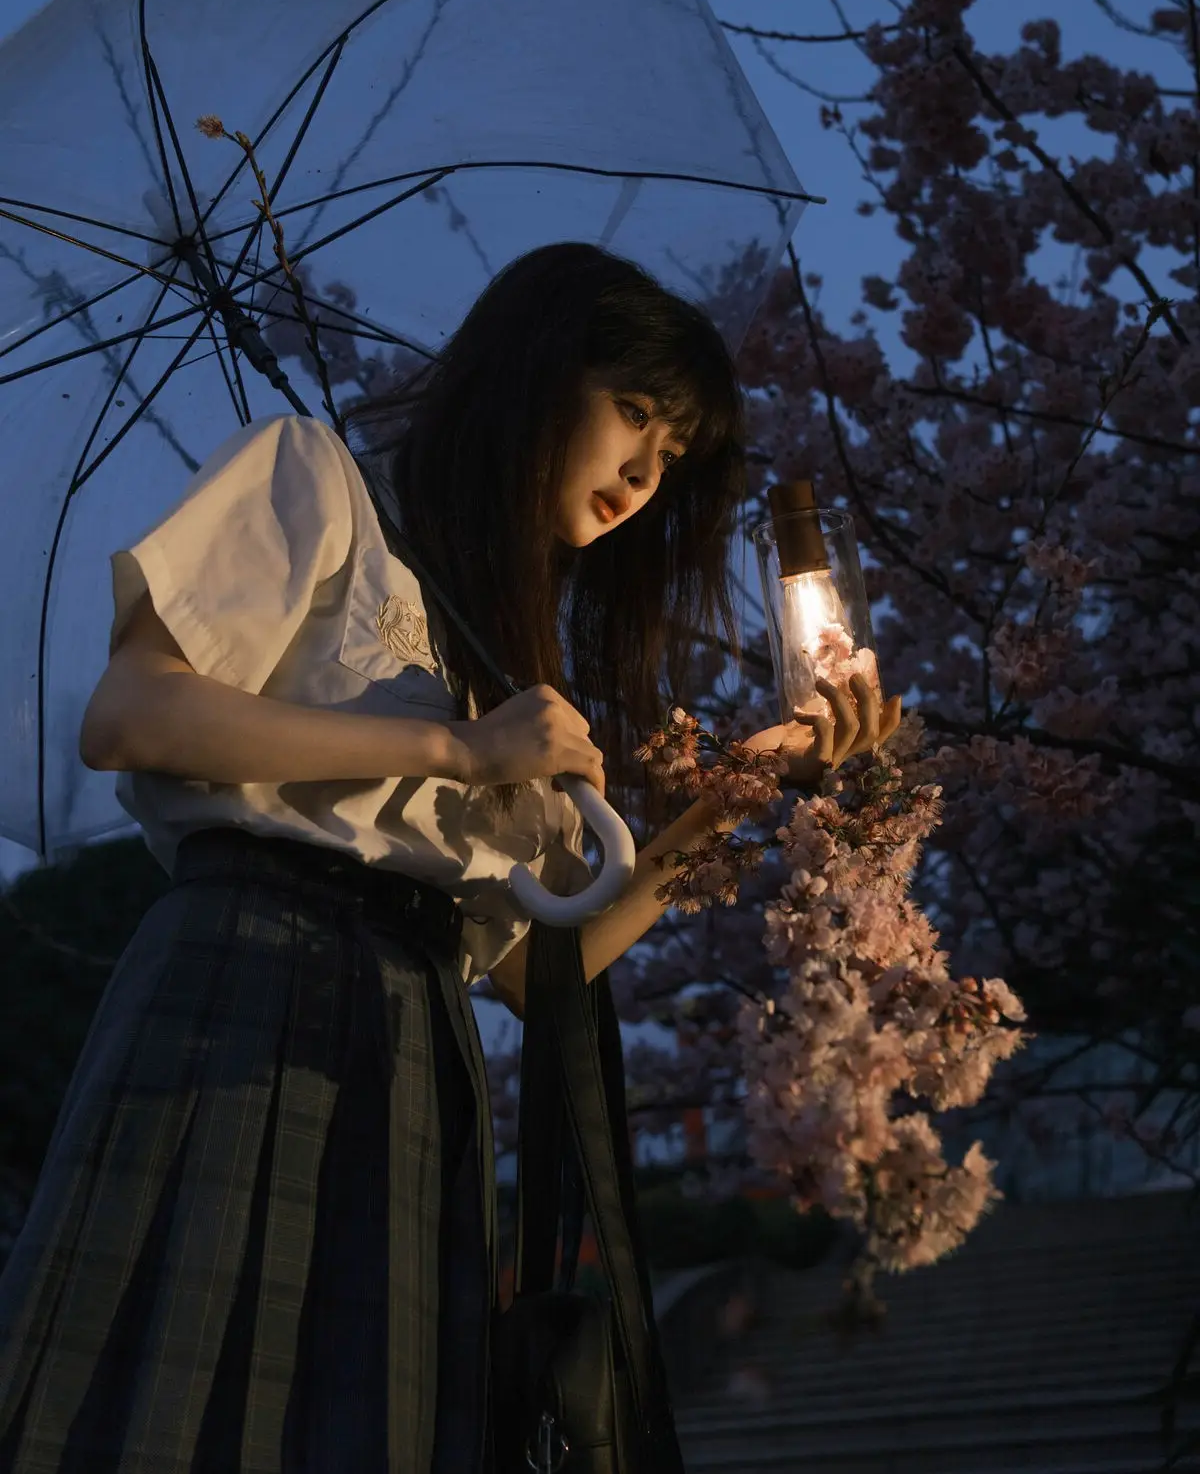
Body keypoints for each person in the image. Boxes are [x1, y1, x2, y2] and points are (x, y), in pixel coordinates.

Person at [0, 242, 899, 1474]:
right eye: (634, 410)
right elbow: (133, 713)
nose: (646, 472)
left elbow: (538, 968)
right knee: (170, 1402)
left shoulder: (503, 650)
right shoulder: (315, 478)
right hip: (252, 971)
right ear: (537, 372)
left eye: (674, 452)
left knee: (360, 1429)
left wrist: (738, 795)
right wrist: (456, 750)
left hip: (420, 1044)